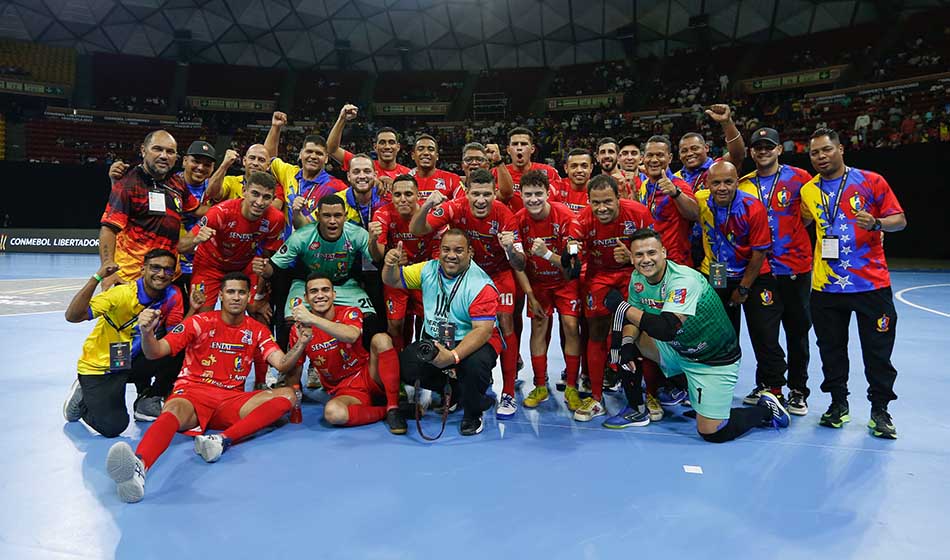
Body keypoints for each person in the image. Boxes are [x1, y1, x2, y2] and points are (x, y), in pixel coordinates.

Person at [105, 272, 311, 503]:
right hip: (192, 394)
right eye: (230, 292)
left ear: (248, 296)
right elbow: (156, 351)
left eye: (241, 292)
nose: (236, 297)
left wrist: (301, 344)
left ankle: (221, 441)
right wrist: (147, 332)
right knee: (171, 412)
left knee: (288, 395)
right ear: (221, 295)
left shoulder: (257, 330)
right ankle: (139, 467)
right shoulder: (198, 322)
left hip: (231, 400)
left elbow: (282, 363)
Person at [606, 229, 790, 441]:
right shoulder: (638, 278)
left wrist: (620, 306)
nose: (646, 260)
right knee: (624, 340)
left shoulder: (683, 281)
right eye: (639, 255)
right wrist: (627, 344)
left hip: (712, 360)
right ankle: (637, 408)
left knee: (712, 432)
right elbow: (633, 320)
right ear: (631, 257)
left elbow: (666, 328)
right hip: (679, 350)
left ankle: (767, 410)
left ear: (663, 252)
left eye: (651, 253)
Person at [801, 128, 906, 439]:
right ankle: (838, 404)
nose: (821, 156)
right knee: (831, 350)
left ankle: (880, 410)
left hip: (871, 285)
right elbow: (804, 221)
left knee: (877, 352)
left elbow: (899, 220)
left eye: (826, 150)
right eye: (815, 153)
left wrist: (877, 223)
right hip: (826, 287)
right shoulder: (808, 191)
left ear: (841, 149)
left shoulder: (871, 181)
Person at [410, 169, 526, 419]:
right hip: (465, 272)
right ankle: (456, 385)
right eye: (476, 194)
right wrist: (427, 205)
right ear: (467, 192)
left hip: (498, 274)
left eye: (487, 194)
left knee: (505, 324)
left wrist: (510, 248)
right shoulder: (455, 207)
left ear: (495, 192)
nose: (481, 200)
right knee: (451, 322)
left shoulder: (505, 215)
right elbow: (418, 229)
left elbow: (519, 264)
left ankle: (508, 392)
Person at [63, 249, 201, 435]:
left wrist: (193, 310)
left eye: (168, 270)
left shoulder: (172, 295)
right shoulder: (121, 294)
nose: (161, 274)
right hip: (102, 365)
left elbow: (175, 336)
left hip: (130, 360)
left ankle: (148, 400)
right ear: (142, 269)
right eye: (155, 268)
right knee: (114, 427)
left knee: (177, 349)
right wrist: (97, 277)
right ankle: (82, 399)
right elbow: (73, 316)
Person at [382, 228, 503, 436]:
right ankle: (456, 390)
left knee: (475, 366)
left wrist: (453, 357)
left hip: (472, 341)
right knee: (406, 365)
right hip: (438, 338)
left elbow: (482, 332)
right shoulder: (428, 269)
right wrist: (389, 264)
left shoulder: (481, 285)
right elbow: (391, 280)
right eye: (446, 249)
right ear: (439, 251)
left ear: (469, 253)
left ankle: (473, 411)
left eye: (458, 250)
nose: (451, 255)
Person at [696, 161, 787, 407]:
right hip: (719, 273)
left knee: (764, 333)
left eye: (728, 181)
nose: (722, 187)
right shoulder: (702, 200)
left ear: (737, 181)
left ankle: (773, 389)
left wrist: (743, 289)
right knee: (721, 334)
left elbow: (759, 254)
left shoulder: (752, 207)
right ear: (707, 184)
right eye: (716, 182)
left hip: (755, 276)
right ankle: (720, 387)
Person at [737, 127, 814, 415]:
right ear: (751, 152)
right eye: (757, 146)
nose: (763, 150)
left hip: (795, 267)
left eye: (769, 146)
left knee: (797, 331)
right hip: (760, 270)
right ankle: (771, 385)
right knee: (763, 332)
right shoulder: (743, 184)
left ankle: (797, 390)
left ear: (779, 149)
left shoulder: (799, 179)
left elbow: (809, 217)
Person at [574, 175, 653, 420]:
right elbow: (575, 258)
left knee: (640, 332)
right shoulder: (582, 221)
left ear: (619, 198)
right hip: (599, 277)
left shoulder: (638, 213)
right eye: (595, 202)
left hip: (634, 275)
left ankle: (650, 396)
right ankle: (597, 399)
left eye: (607, 201)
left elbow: (655, 254)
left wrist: (631, 257)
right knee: (596, 332)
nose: (602, 208)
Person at [285, 273, 406, 434]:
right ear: (306, 298)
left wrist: (313, 320)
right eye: (314, 291)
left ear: (334, 294)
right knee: (333, 413)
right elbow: (295, 369)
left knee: (381, 339)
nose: (320, 295)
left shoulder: (350, 312)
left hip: (369, 375)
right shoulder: (298, 330)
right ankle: (386, 412)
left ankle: (393, 407)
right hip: (344, 390)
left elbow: (351, 335)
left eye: (325, 290)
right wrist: (292, 398)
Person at [261, 194, 379, 347]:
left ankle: (364, 365)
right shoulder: (301, 237)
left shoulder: (357, 234)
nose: (332, 221)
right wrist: (264, 268)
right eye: (326, 215)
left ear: (345, 216)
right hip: (306, 285)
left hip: (344, 284)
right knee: (289, 322)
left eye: (337, 215)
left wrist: (375, 242)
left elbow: (377, 260)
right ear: (317, 216)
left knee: (371, 320)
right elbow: (274, 267)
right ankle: (286, 367)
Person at [99, 130, 201, 289]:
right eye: (157, 149)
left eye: (170, 152)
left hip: (169, 275)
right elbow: (108, 230)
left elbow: (197, 209)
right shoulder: (127, 183)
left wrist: (231, 207)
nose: (164, 156)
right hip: (132, 277)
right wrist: (109, 269)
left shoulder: (177, 183)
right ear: (143, 150)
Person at [515, 170, 582, 409]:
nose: (533, 199)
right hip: (538, 284)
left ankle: (572, 387)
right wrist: (530, 296)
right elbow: (517, 265)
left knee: (571, 326)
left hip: (565, 282)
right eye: (528, 194)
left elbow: (573, 266)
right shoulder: (518, 220)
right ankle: (540, 385)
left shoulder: (565, 216)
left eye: (538, 194)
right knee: (539, 328)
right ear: (521, 195)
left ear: (547, 193)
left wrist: (546, 254)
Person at [178, 171, 285, 313]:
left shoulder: (276, 219)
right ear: (244, 191)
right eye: (255, 194)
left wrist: (260, 293)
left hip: (244, 265)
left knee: (257, 309)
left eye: (266, 197)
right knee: (202, 314)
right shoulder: (220, 212)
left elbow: (267, 257)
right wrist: (196, 239)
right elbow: (180, 247)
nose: (259, 202)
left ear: (272, 199)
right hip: (210, 265)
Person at [368, 174, 438, 351]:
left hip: (425, 276)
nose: (403, 199)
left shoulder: (431, 214)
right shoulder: (382, 214)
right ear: (391, 196)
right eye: (397, 195)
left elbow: (440, 254)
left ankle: (425, 364)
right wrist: (373, 240)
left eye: (408, 194)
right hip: (396, 276)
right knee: (396, 325)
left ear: (418, 195)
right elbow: (377, 256)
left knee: (427, 324)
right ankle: (401, 365)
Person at [263, 112, 348, 237]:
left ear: (326, 159)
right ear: (301, 154)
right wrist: (275, 127)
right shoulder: (288, 172)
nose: (313, 156)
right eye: (309, 151)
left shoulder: (336, 186)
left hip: (316, 250)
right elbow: (268, 158)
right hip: (288, 247)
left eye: (319, 154)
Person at [327, 104, 410, 186]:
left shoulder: (409, 174)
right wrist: (342, 119)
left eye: (391, 142)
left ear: (398, 147)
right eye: (382, 142)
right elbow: (331, 149)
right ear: (375, 147)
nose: (387, 147)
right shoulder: (363, 166)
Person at [204, 146, 289, 211]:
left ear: (268, 166)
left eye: (261, 160)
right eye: (252, 158)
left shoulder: (274, 187)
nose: (255, 163)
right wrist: (224, 165)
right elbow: (211, 193)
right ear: (244, 161)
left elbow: (273, 209)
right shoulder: (231, 181)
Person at [409, 134, 463, 200]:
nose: (426, 152)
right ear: (413, 155)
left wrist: (444, 206)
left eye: (431, 149)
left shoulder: (453, 179)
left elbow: (462, 204)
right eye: (420, 149)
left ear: (437, 156)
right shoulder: (403, 181)